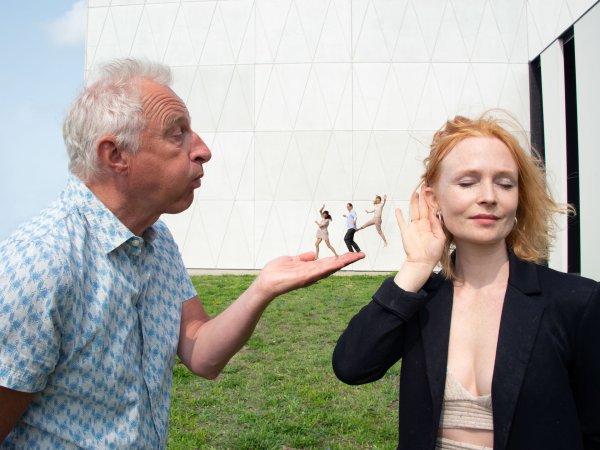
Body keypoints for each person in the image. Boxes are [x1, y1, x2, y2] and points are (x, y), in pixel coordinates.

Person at [0, 58, 364, 448]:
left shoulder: (157, 240)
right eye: (178, 134)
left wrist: (262, 289)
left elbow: (201, 353)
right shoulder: (38, 264)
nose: (203, 150)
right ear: (116, 155)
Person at [332, 114, 600, 450]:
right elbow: (352, 366)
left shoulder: (577, 301)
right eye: (467, 182)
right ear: (433, 199)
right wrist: (415, 268)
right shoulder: (421, 300)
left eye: (505, 183)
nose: (489, 196)